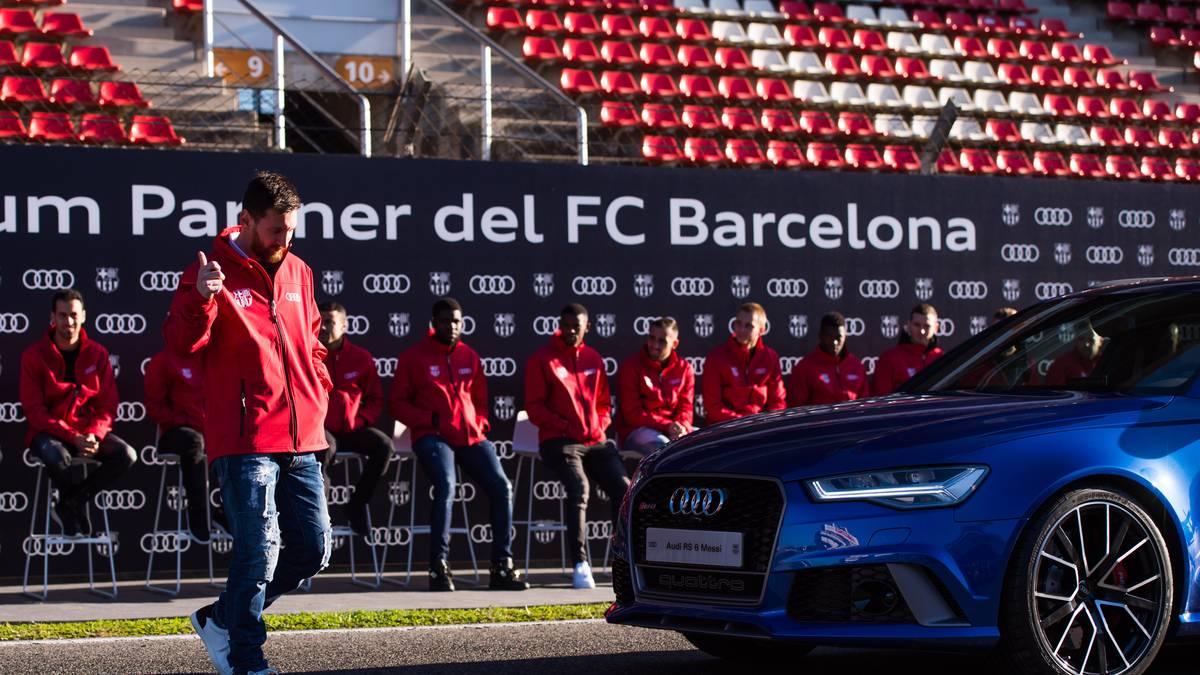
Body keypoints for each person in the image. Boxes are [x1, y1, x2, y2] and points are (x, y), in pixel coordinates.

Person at [170, 171, 332, 675]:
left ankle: (221, 618)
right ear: (246, 220)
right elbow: (182, 345)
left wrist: (318, 390)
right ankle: (245, 656)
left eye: (291, 230)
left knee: (313, 549)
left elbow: (313, 343)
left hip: (301, 435)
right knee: (259, 549)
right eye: (275, 231)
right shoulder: (210, 271)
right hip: (245, 438)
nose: (285, 240)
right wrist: (200, 298)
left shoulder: (299, 271)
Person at [389, 297, 528, 592]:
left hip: (470, 437)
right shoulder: (414, 357)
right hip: (433, 437)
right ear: (433, 323)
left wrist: (481, 424)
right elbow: (398, 405)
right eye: (445, 321)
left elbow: (480, 402)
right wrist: (431, 419)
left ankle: (501, 566)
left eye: (456, 321)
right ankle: (438, 567)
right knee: (447, 487)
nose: (451, 326)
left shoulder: (470, 356)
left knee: (502, 487)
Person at [524, 302, 629, 589]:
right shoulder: (543, 360)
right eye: (566, 325)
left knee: (624, 486)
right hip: (559, 441)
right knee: (579, 487)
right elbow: (534, 407)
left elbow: (605, 404)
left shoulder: (594, 358)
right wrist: (565, 426)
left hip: (594, 440)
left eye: (576, 326)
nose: (571, 331)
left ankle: (623, 560)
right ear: (560, 325)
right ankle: (580, 563)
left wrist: (599, 425)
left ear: (587, 328)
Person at [20, 288, 136, 536]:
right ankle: (73, 507)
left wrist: (93, 435)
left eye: (73, 314)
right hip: (49, 433)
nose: (68, 322)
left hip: (87, 433)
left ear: (83, 316)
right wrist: (73, 436)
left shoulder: (98, 354)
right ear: (53, 317)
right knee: (56, 455)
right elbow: (35, 411)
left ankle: (71, 502)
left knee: (127, 455)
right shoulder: (34, 356)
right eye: (62, 315)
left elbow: (108, 405)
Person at [316, 301, 391, 536]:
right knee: (322, 451)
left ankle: (357, 504)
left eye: (330, 322)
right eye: (320, 322)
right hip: (321, 431)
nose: (324, 328)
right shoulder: (308, 355)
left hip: (352, 429)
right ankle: (319, 518)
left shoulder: (361, 358)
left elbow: (375, 400)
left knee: (384, 446)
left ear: (344, 325)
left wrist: (360, 421)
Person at [144, 335, 228, 543]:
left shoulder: (211, 360)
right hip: (175, 433)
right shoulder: (163, 362)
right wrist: (184, 419)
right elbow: (154, 407)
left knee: (240, 442)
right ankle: (200, 516)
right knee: (194, 440)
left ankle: (227, 513)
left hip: (209, 432)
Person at [617, 317, 694, 455]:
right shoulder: (631, 366)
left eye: (662, 341)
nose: (655, 345)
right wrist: (667, 425)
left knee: (706, 444)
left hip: (672, 429)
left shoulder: (685, 368)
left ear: (675, 344)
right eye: (652, 338)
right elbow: (632, 414)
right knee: (667, 450)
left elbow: (686, 407)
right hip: (638, 430)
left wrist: (682, 427)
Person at [701, 302, 786, 423]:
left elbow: (777, 401)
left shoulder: (771, 357)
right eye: (738, 324)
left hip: (761, 428)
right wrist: (742, 424)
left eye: (748, 326)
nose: (741, 329)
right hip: (726, 429)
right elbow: (712, 406)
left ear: (761, 330)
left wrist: (766, 423)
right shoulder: (716, 357)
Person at [787, 312, 867, 406]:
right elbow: (797, 407)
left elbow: (864, 406)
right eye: (829, 337)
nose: (834, 342)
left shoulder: (856, 366)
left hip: (852, 420)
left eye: (838, 337)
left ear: (845, 336)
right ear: (820, 336)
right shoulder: (804, 367)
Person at [872, 303, 944, 396]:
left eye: (927, 326)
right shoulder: (889, 358)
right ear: (909, 325)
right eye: (917, 325)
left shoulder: (942, 357)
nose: (922, 331)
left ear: (936, 328)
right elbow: (881, 398)